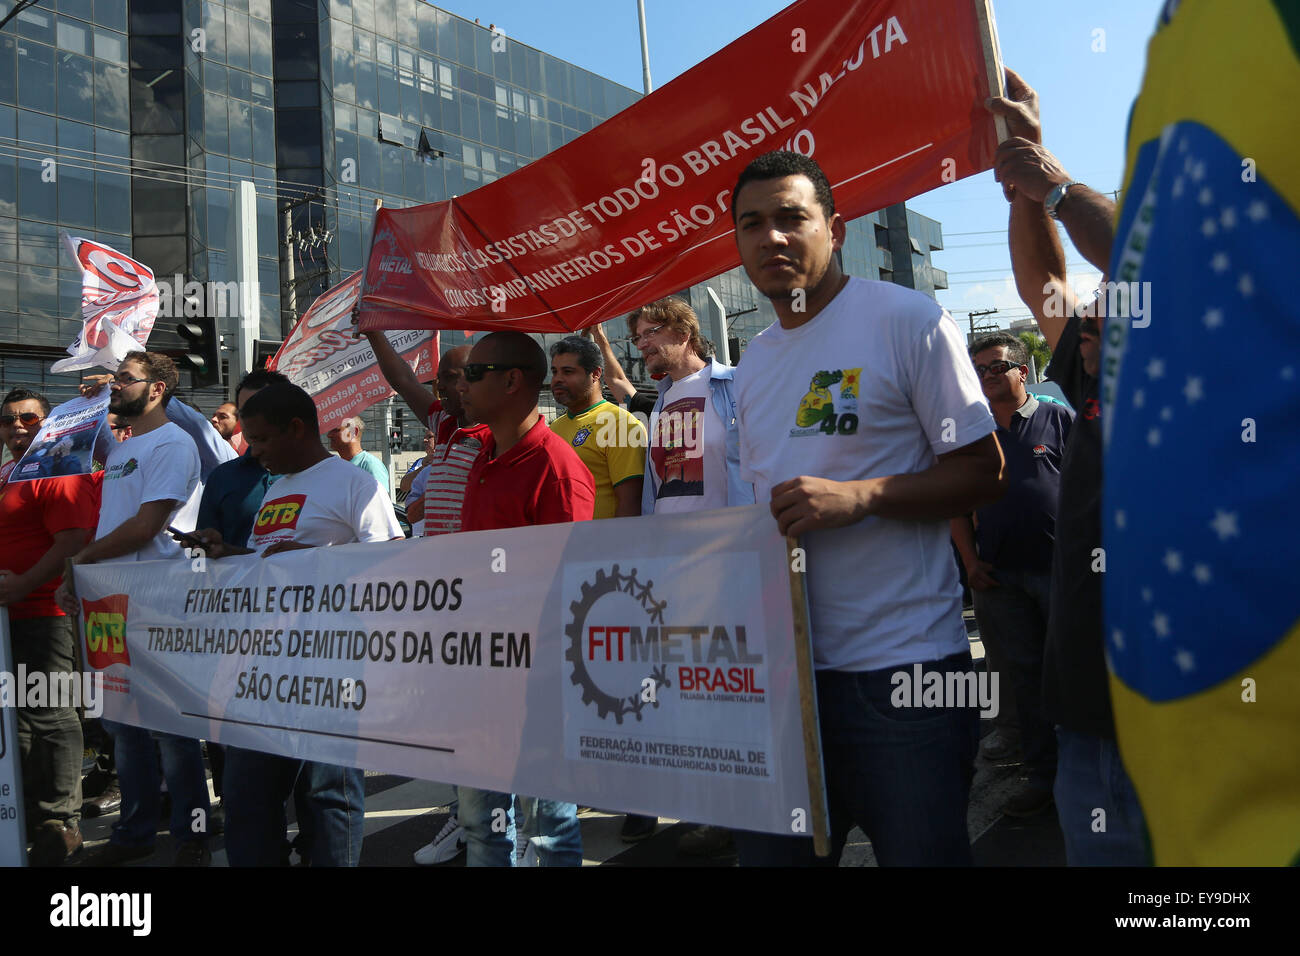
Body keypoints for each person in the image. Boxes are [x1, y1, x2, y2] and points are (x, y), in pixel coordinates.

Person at [729, 150, 1006, 866]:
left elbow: (984, 472)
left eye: (792, 218)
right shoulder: (753, 362)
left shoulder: (906, 320)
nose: (772, 239)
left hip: (905, 676)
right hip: (785, 683)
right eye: (752, 224)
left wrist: (863, 497)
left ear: (836, 228)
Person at [989, 68, 1147, 864]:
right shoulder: (1091, 370)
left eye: (1106, 317)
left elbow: (1143, 252)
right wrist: (1022, 180)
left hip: (1193, 712)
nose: (1083, 328)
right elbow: (1043, 280)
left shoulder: (1216, 370)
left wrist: (1051, 181)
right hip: (1090, 712)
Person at [195, 382, 403, 866]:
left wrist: (312, 561)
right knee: (246, 795)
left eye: (263, 440)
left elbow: (392, 566)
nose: (255, 451)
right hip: (263, 667)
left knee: (328, 795)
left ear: (296, 428)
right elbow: (272, 564)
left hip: (328, 667)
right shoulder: (280, 486)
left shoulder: (355, 483)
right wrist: (231, 553)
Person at [54, 351, 213, 866]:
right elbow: (112, 523)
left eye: (125, 379)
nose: (114, 386)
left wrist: (82, 560)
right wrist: (80, 575)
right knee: (124, 724)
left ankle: (192, 833)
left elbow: (146, 527)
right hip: (109, 597)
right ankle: (135, 832)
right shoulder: (127, 445)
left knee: (172, 727)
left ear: (157, 389)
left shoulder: (172, 442)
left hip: (157, 597)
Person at [455, 331, 595, 866]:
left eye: (473, 373)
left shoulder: (558, 470)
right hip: (480, 668)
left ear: (512, 381)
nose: (461, 385)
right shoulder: (484, 453)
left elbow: (572, 593)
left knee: (546, 828)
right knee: (479, 825)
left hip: (537, 680)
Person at [626, 296, 755, 857]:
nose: (643, 345)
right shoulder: (658, 405)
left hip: (734, 565)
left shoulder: (733, 388)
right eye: (636, 340)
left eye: (649, 333)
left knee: (741, 691)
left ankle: (751, 817)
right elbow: (660, 494)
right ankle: (719, 812)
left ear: (683, 331)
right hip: (677, 575)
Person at [361, 331, 478, 863]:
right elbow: (402, 379)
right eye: (443, 379)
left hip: (485, 598)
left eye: (452, 376)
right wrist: (374, 334)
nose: (442, 387)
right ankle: (472, 813)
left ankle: (495, 820)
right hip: (448, 598)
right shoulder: (447, 427)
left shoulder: (495, 437)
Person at [950, 331, 1073, 818]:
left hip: (1061, 575)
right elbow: (957, 505)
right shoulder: (972, 432)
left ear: (1024, 371)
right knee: (1025, 682)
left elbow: (1093, 490)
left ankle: (1095, 775)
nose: (985, 376)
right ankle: (1043, 778)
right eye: (978, 369)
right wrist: (972, 562)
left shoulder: (1058, 418)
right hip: (1000, 580)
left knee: (1073, 674)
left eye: (996, 367)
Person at [547, 333, 653, 840]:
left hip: (612, 582)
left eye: (568, 371)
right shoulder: (556, 428)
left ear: (595, 375)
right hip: (570, 581)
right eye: (555, 371)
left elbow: (631, 506)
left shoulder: (619, 425)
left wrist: (623, 585)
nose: (558, 381)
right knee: (588, 690)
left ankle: (642, 800)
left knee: (625, 691)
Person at [0, 388, 101, 865]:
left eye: (27, 418)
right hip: (9, 618)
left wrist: (22, 584)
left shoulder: (61, 469)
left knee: (51, 714)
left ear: (47, 424)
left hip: (45, 613)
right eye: (7, 421)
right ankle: (29, 815)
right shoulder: (8, 474)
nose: (17, 427)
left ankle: (63, 822)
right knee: (16, 721)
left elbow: (72, 542)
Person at [326, 416, 390, 491]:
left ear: (354, 431)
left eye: (336, 430)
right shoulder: (336, 467)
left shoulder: (371, 465)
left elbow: (379, 501)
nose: (329, 435)